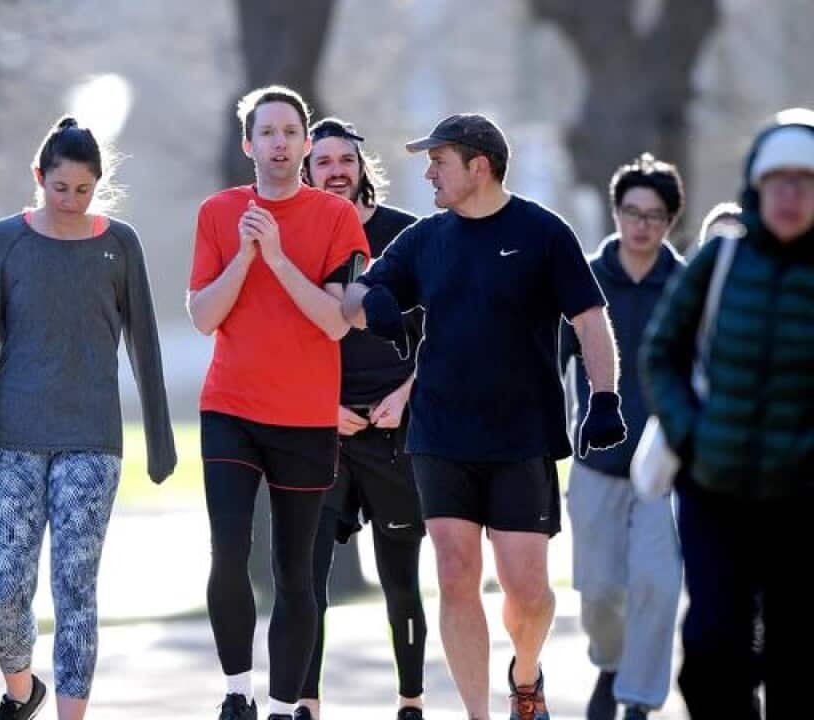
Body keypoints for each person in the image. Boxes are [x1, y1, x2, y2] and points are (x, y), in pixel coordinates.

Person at [341, 114, 625, 720]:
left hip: (522, 434)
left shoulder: (543, 233)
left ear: (479, 165)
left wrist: (604, 398)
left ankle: (526, 675)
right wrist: (377, 307)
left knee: (528, 592)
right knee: (454, 571)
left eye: (439, 160)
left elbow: (589, 320)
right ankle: (478, 714)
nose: (428, 172)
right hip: (440, 432)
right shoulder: (423, 239)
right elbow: (355, 297)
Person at [0, 115, 176, 720]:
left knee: (75, 590)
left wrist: (159, 439)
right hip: (10, 438)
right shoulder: (6, 240)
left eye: (83, 190)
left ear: (97, 185)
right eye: (61, 188)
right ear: (39, 177)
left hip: (91, 439)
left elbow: (146, 344)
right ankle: (23, 689)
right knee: (5, 589)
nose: (71, 201)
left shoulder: (119, 243)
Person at [187, 86, 369, 720]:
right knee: (229, 550)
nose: (280, 142)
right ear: (249, 144)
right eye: (267, 132)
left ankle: (287, 703)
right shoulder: (218, 212)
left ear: (306, 141)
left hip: (304, 416)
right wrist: (243, 252)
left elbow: (338, 322)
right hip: (230, 408)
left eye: (292, 131)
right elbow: (204, 316)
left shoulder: (336, 219)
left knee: (295, 572)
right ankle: (237, 693)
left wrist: (279, 256)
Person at [641, 108, 814, 720]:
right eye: (778, 181)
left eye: (805, 181)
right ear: (756, 187)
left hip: (801, 503)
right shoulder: (720, 263)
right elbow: (661, 353)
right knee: (715, 646)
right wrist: (692, 434)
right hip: (716, 492)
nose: (791, 195)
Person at [297, 117, 427, 720]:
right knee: (307, 582)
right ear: (307, 169)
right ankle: (306, 705)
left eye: (345, 160)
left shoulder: (407, 236)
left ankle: (410, 702)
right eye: (323, 162)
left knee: (401, 580)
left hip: (396, 431)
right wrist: (318, 405)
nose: (336, 171)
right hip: (319, 433)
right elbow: (275, 341)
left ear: (362, 166)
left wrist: (407, 393)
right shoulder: (291, 239)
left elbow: (445, 331)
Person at [558, 154, 685, 720]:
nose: (641, 226)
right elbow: (549, 364)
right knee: (600, 592)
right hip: (596, 464)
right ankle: (611, 664)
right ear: (615, 212)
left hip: (666, 470)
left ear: (669, 223)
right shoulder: (581, 279)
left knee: (657, 587)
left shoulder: (687, 286)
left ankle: (637, 697)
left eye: (654, 216)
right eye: (632, 212)